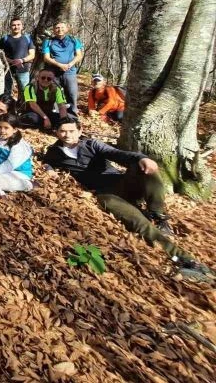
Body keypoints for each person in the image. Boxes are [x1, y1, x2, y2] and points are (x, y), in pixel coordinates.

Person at [44, 118, 211, 278]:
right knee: (138, 222)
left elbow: (117, 154)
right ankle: (184, 260)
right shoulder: (54, 152)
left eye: (72, 131)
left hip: (122, 182)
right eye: (63, 131)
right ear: (56, 132)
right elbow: (46, 161)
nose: (67, 135)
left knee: (147, 168)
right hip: (106, 194)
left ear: (80, 131)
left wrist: (142, 158)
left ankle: (158, 215)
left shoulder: (92, 144)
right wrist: (49, 169)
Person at [41, 20, 84, 116]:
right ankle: (54, 115)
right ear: (53, 30)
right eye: (57, 28)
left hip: (70, 72)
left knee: (72, 94)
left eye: (62, 27)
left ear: (67, 29)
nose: (60, 30)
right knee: (54, 94)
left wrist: (70, 64)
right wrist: (59, 65)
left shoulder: (74, 40)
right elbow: (46, 58)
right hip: (53, 72)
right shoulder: (48, 42)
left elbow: (79, 55)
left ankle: (72, 115)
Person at [0, 17, 35, 99]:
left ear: (22, 26)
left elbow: (32, 55)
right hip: (8, 69)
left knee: (26, 91)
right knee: (7, 91)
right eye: (13, 25)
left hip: (23, 69)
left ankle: (25, 106)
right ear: (10, 26)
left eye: (18, 25)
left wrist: (21, 60)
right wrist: (11, 61)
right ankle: (7, 105)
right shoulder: (4, 39)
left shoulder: (27, 38)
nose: (16, 27)